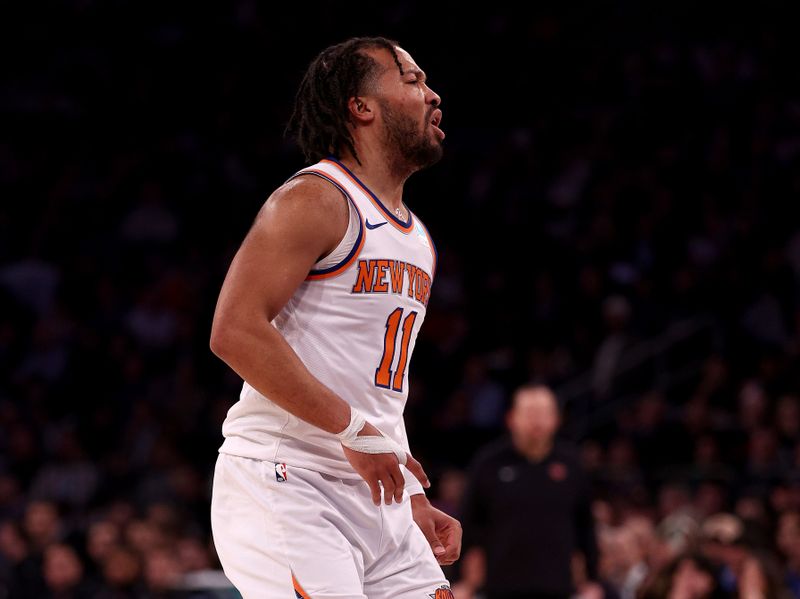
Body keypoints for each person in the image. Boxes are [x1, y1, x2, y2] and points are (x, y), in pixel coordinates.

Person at [209, 36, 460, 599]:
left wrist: (409, 492)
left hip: (375, 493)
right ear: (361, 106)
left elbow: (372, 385)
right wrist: (352, 432)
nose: (432, 94)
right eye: (413, 80)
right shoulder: (315, 199)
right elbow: (235, 330)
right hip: (287, 481)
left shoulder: (415, 237)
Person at [458, 385, 599, 599]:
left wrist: (592, 580)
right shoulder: (488, 463)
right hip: (498, 588)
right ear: (511, 418)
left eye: (544, 413)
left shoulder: (572, 464)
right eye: (530, 413)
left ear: (557, 419)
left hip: (559, 587)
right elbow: (467, 523)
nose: (537, 421)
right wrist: (461, 580)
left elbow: (586, 527)